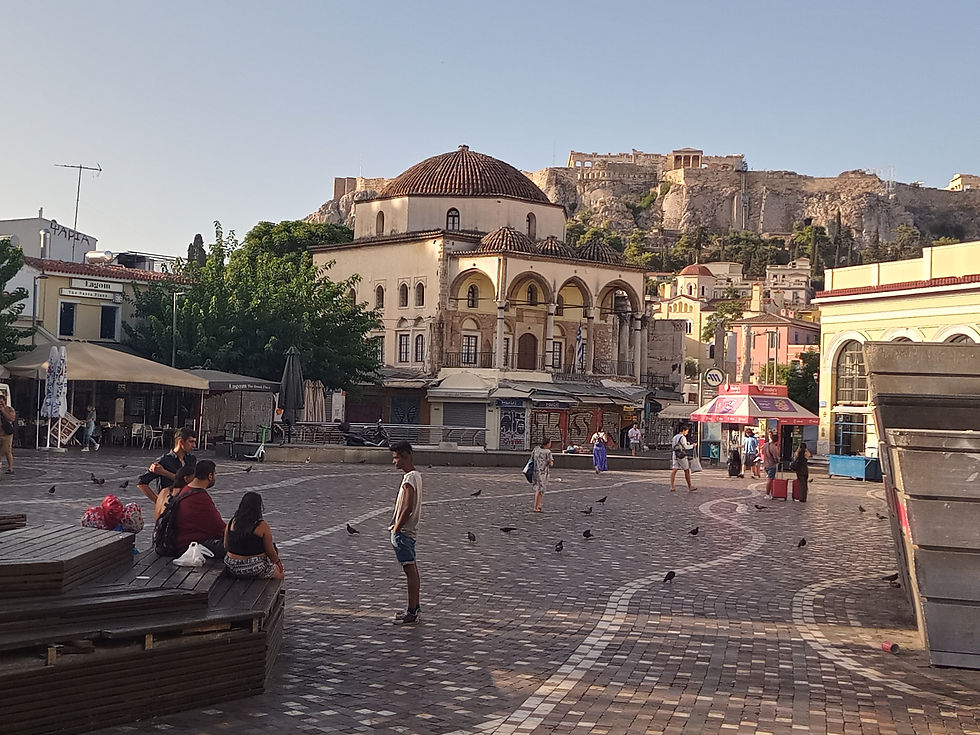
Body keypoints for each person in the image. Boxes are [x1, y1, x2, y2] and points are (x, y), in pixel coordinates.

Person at [389, 441, 423, 625]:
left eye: (396, 458)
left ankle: (412, 611)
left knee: (409, 570)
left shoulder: (409, 479)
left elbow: (407, 507)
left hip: (404, 531)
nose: (394, 462)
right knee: (412, 569)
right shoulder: (417, 475)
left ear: (406, 456)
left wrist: (396, 527)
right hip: (409, 531)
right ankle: (414, 607)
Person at [223, 491, 285, 579]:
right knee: (280, 574)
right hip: (253, 568)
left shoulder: (232, 522)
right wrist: (279, 564)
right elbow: (270, 552)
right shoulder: (261, 526)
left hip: (232, 566)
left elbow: (226, 545)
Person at [172, 459, 226, 558]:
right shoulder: (200, 496)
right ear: (210, 476)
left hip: (182, 541)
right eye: (214, 474)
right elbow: (219, 526)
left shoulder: (186, 489)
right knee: (236, 547)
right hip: (190, 545)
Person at [138, 428, 198, 502]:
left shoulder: (191, 460)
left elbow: (190, 482)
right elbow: (142, 483)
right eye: (191, 442)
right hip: (170, 504)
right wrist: (158, 502)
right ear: (181, 442)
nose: (194, 445)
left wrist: (164, 473)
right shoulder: (164, 460)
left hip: (186, 502)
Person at [670, 424, 697, 492]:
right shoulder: (682, 438)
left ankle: (672, 486)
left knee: (674, 470)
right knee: (686, 470)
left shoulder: (675, 437)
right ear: (683, 431)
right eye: (687, 431)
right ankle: (690, 486)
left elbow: (674, 446)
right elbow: (685, 447)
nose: (687, 433)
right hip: (681, 455)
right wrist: (692, 445)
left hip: (675, 454)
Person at [530, 438, 554, 512]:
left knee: (539, 488)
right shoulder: (547, 452)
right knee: (540, 489)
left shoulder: (536, 449)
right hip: (543, 472)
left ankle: (539, 504)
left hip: (535, 471)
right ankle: (536, 506)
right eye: (550, 443)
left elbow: (532, 458)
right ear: (547, 444)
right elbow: (551, 463)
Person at [0, 395, 16, 473]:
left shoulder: (9, 409)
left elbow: (11, 418)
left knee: (7, 450)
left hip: (6, 433)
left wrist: (3, 411)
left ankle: (10, 467)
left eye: (1, 401)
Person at [762, 430, 781, 498]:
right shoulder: (774, 447)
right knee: (770, 479)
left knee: (772, 479)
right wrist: (778, 461)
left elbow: (762, 452)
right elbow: (775, 457)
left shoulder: (765, 445)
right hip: (771, 465)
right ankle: (767, 494)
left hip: (766, 464)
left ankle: (773, 492)